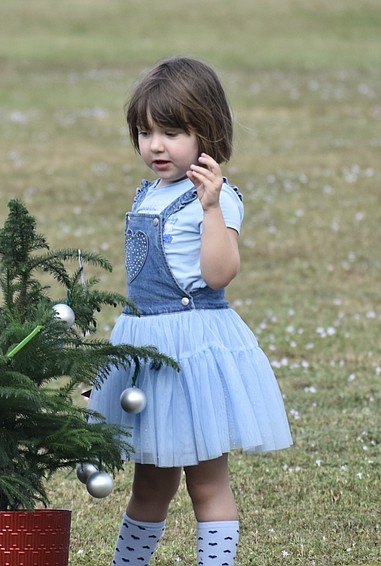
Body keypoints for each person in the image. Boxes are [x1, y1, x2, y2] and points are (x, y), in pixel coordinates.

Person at [88, 56, 293, 565]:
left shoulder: (218, 199)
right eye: (145, 132)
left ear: (208, 131)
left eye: (173, 132)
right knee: (149, 485)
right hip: (144, 351)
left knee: (207, 483)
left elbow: (220, 273)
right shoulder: (148, 193)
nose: (156, 146)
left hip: (192, 355)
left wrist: (211, 209)